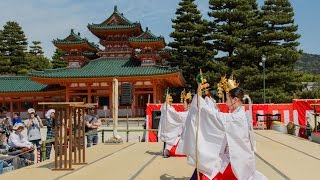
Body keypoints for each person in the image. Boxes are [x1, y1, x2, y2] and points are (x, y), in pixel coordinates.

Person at [179, 87, 267, 180]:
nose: (226, 102)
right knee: (209, 160)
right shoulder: (241, 114)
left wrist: (203, 106)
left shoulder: (237, 117)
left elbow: (218, 117)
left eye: (228, 99)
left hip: (237, 161)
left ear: (235, 99)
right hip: (239, 157)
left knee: (208, 163)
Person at [158, 92, 190, 158]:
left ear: (189, 105)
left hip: (187, 137)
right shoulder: (187, 114)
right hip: (185, 136)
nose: (183, 106)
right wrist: (168, 106)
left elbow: (176, 116)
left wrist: (168, 106)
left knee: (173, 137)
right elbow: (176, 115)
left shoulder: (188, 114)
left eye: (184, 104)